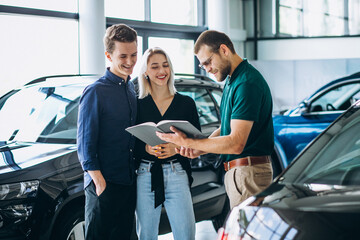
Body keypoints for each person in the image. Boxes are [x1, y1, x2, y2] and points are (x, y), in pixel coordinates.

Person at [157, 30, 274, 209]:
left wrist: (190, 142)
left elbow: (236, 143)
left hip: (248, 174)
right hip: (241, 174)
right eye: (203, 66)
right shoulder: (232, 80)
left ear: (224, 50)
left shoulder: (246, 83)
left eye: (208, 62)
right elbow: (226, 127)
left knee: (245, 236)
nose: (207, 68)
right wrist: (198, 148)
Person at [77, 23, 138, 240]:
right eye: (123, 56)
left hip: (128, 183)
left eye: (134, 55)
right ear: (108, 55)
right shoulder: (95, 91)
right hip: (104, 186)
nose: (130, 62)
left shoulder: (131, 89)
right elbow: (85, 145)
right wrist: (100, 183)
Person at [134, 47, 199, 240]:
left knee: (186, 234)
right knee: (146, 235)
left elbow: (197, 142)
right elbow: (129, 142)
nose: (161, 71)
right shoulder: (137, 103)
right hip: (146, 173)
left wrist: (176, 148)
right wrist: (145, 147)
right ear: (145, 71)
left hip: (177, 171)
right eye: (154, 67)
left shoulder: (186, 103)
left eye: (165, 65)